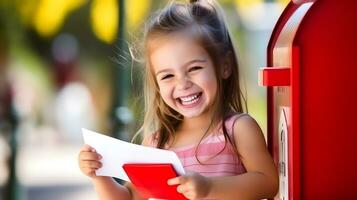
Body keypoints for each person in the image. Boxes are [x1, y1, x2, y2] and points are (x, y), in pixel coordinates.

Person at [78, 0, 279, 199]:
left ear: (224, 66)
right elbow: (129, 198)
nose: (182, 84)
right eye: (167, 76)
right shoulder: (157, 144)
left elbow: (268, 182)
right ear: (157, 84)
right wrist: (99, 176)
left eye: (194, 69)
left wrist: (209, 188)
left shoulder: (238, 129)